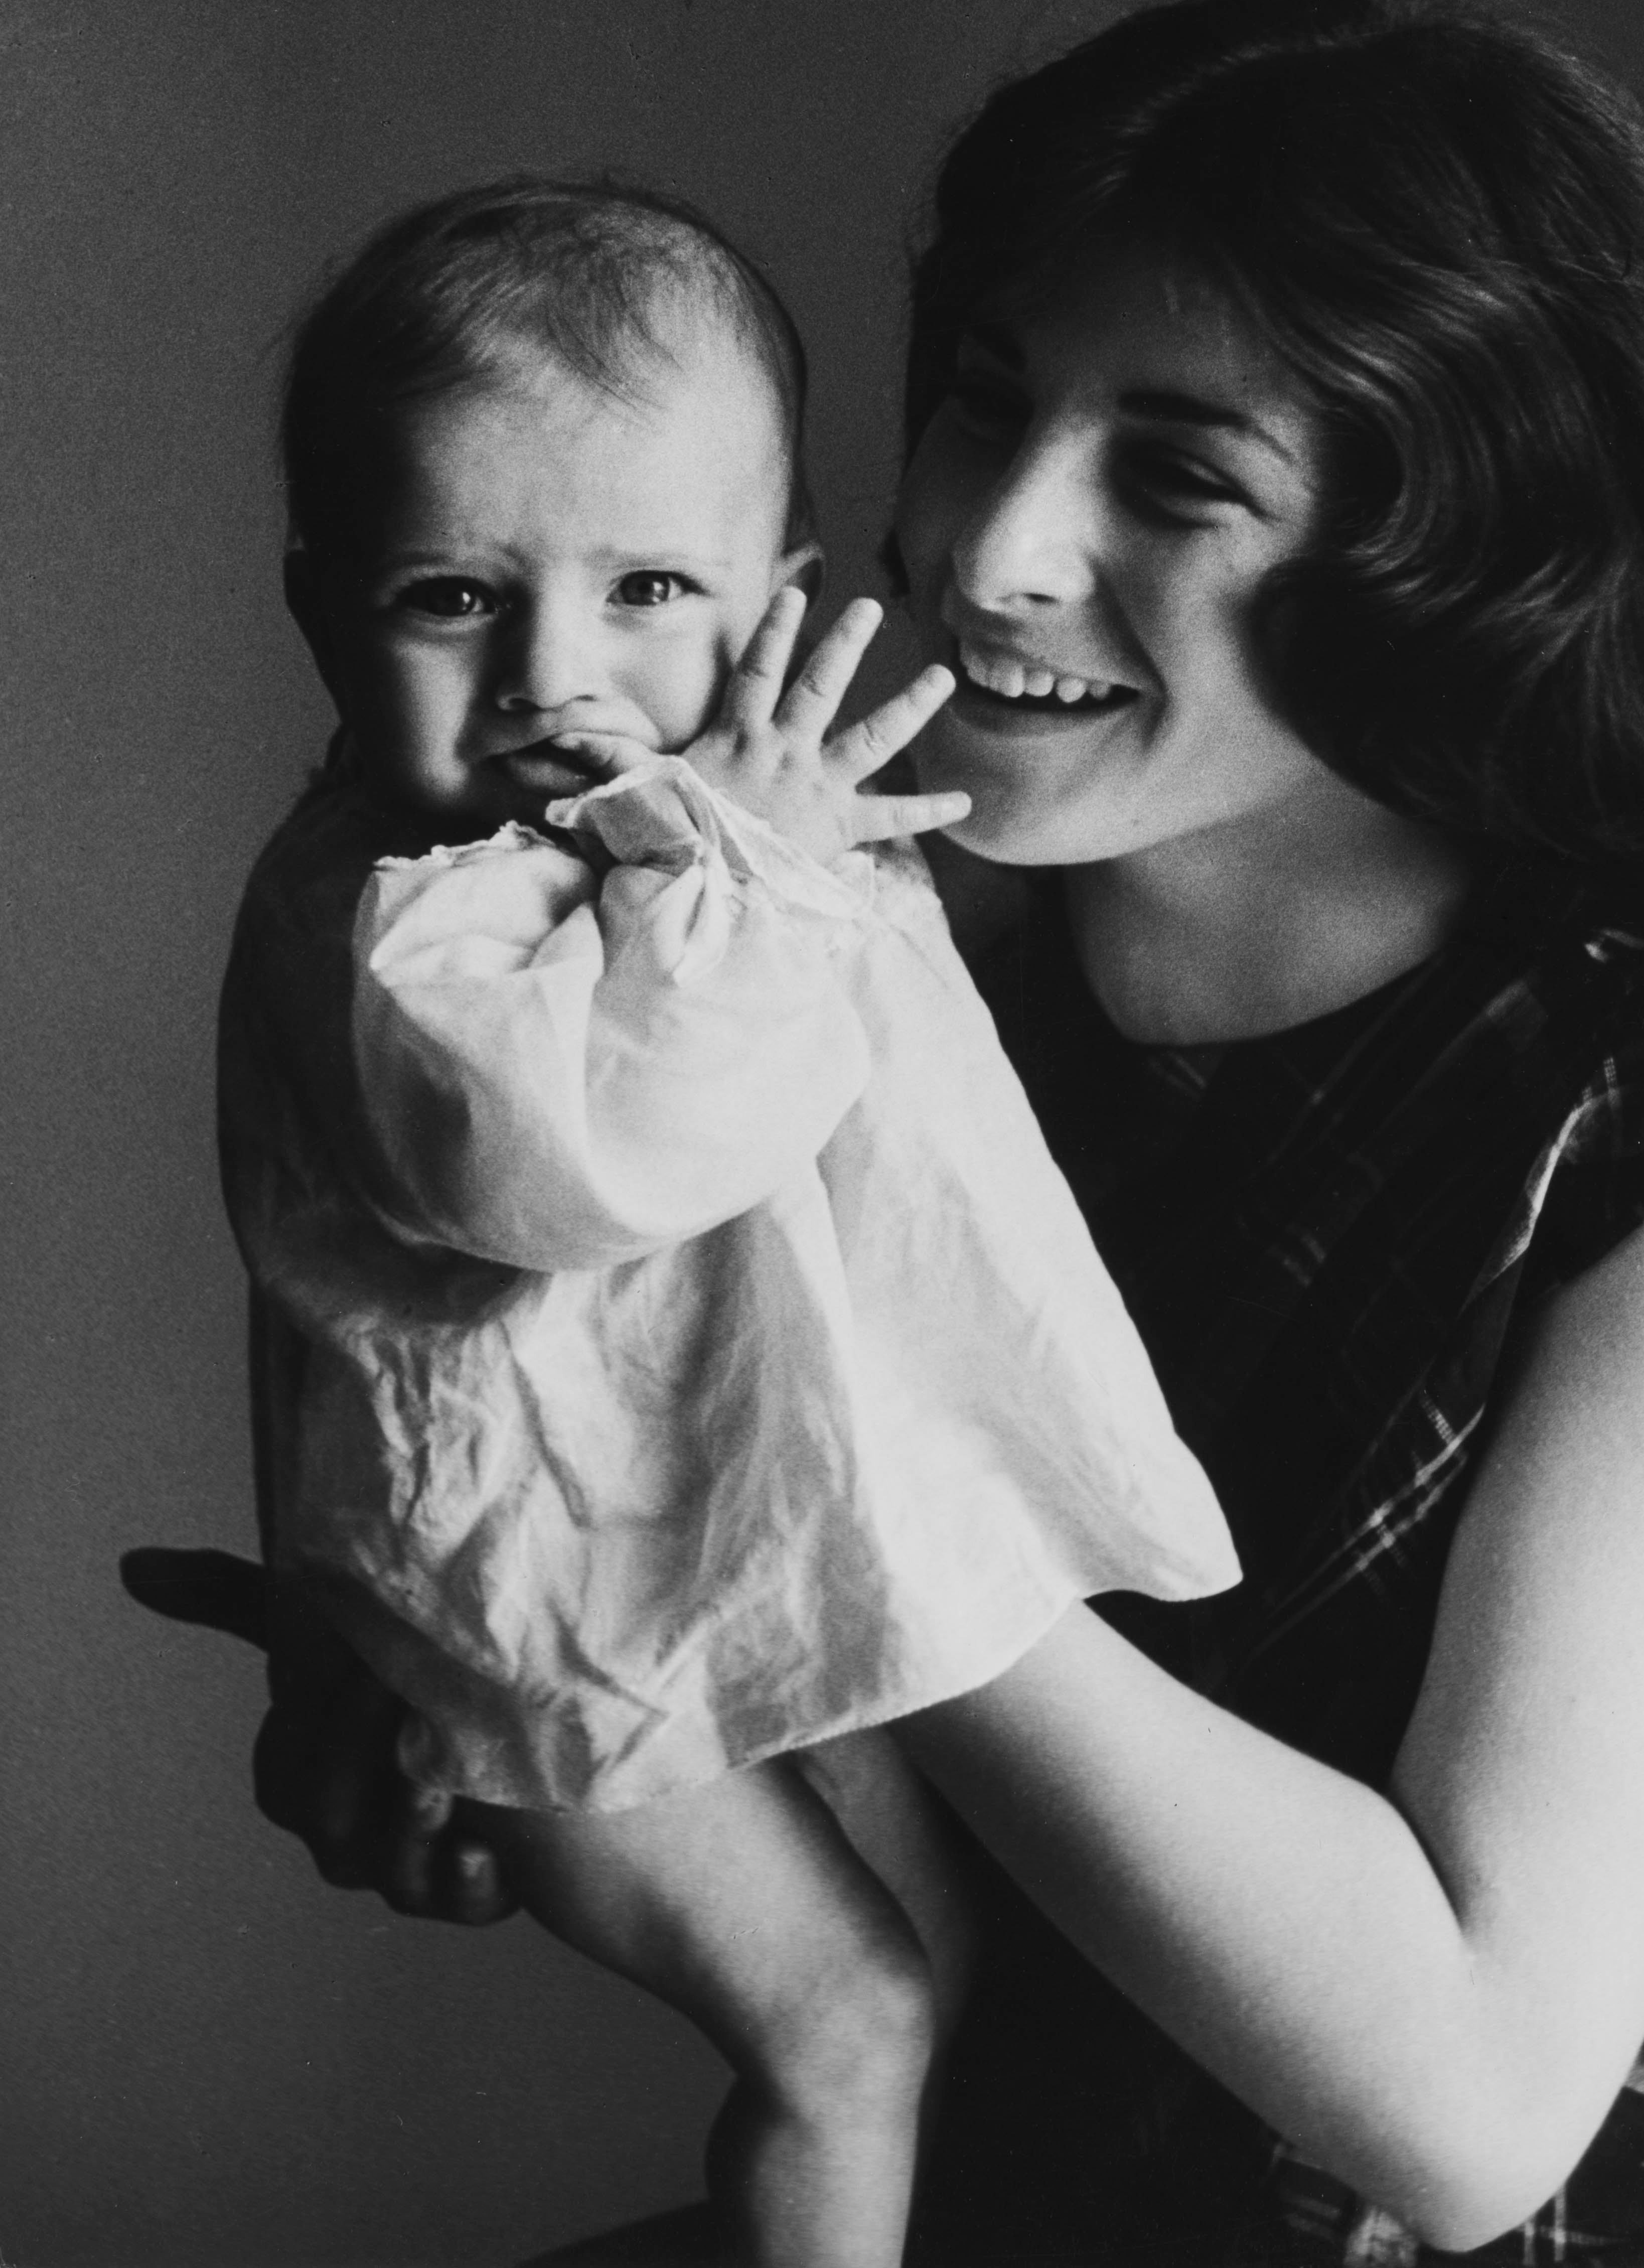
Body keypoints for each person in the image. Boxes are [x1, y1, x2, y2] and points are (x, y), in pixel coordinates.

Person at [134, 0, 1644, 2265]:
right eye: (982, 402)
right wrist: (486, 1691)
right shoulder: (833, 946)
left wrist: (812, 1521)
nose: (993, 548)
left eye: (1177, 469)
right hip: (1044, 2185)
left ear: (1449, 546)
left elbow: (1467, 2109)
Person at [175, 177, 1240, 2268]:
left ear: (776, 600)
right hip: (535, 1616)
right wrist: (736, 854)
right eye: (447, 595)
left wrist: (749, 843)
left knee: (954, 1997)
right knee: (849, 2021)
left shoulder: (683, 833)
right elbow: (580, 1158)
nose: (555, 676)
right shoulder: (413, 918)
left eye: (648, 583)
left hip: (682, 1561)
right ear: (316, 611)